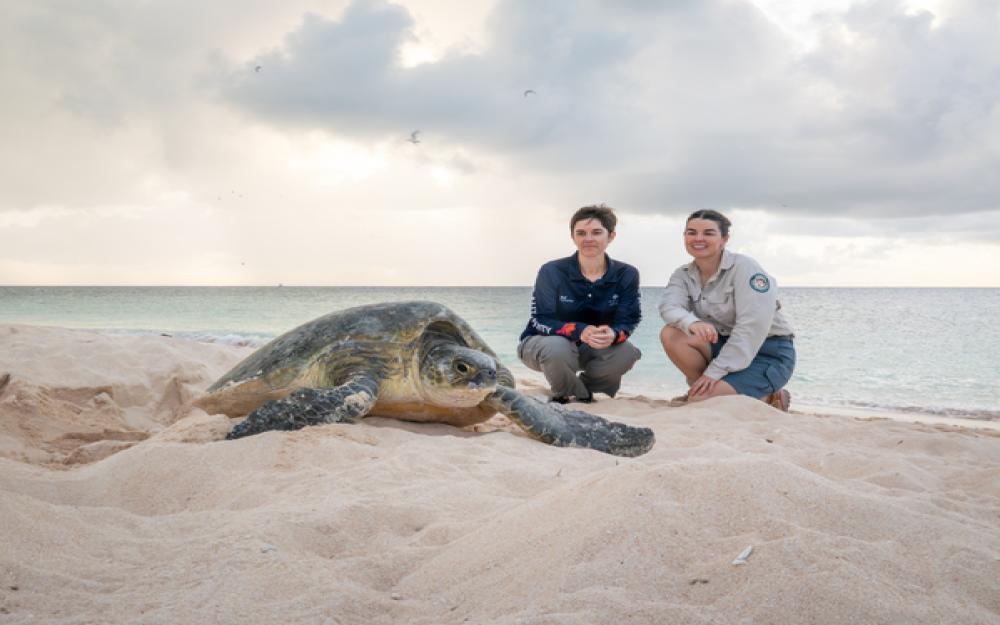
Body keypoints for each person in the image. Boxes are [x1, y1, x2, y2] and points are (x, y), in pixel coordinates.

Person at [658, 209, 795, 410]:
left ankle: (769, 396)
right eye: (691, 232)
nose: (698, 238)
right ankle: (705, 389)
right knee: (672, 334)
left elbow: (750, 330)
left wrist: (713, 373)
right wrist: (692, 322)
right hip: (724, 345)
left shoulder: (745, 268)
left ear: (724, 239)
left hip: (767, 351)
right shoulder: (683, 274)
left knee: (700, 402)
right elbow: (669, 307)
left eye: (708, 233)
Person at [518, 204, 642, 403]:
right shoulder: (552, 271)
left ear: (611, 236)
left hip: (591, 349)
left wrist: (614, 333)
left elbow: (629, 319)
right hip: (543, 345)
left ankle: (586, 393)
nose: (588, 239)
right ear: (573, 237)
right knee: (558, 347)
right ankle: (569, 394)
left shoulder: (626, 274)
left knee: (626, 352)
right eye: (581, 233)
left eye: (596, 232)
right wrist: (580, 330)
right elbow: (541, 319)